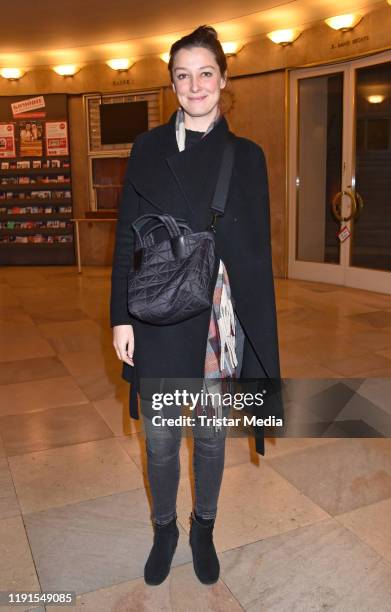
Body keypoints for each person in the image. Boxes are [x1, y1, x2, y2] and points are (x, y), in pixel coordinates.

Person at [110, 25, 282, 586]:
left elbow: (257, 253)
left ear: (223, 79)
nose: (195, 84)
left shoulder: (247, 157)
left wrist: (260, 336)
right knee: (160, 439)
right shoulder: (147, 149)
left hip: (216, 321)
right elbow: (126, 242)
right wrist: (119, 316)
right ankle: (165, 529)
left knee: (209, 435)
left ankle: (203, 526)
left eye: (205, 72)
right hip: (159, 315)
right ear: (173, 84)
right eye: (182, 75)